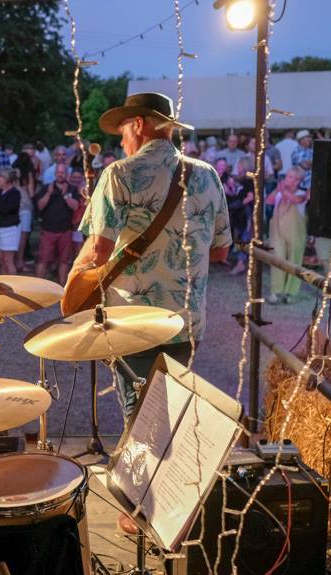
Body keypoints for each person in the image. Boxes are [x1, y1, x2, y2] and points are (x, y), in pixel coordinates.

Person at [64, 92, 231, 415]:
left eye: (123, 131)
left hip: (134, 321)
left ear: (139, 124)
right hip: (187, 321)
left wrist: (74, 283)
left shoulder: (119, 173)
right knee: (168, 408)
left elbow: (99, 252)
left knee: (140, 413)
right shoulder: (207, 174)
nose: (122, 141)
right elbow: (221, 251)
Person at [265, 166, 309, 305]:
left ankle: (290, 293)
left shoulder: (302, 193)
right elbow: (268, 200)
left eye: (290, 177)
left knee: (294, 261)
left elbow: (296, 200)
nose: (286, 179)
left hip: (296, 233)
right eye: (287, 176)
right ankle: (276, 292)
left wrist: (283, 190)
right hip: (277, 233)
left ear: (297, 181)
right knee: (277, 259)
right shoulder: (279, 193)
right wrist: (277, 190)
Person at [35, 164, 80, 285]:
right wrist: (49, 194)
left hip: (65, 231)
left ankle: (62, 289)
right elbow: (40, 206)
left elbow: (75, 206)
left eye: (63, 172)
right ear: (55, 174)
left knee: (64, 261)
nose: (60, 174)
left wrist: (65, 195)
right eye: (58, 172)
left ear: (67, 174)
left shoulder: (72, 189)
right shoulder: (46, 188)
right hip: (48, 231)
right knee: (43, 261)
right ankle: (37, 288)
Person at [68, 170, 88, 258]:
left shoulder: (85, 193)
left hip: (79, 228)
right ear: (70, 178)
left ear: (82, 178)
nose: (76, 180)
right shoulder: (67, 189)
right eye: (74, 177)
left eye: (78, 178)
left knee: (78, 251)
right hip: (66, 227)